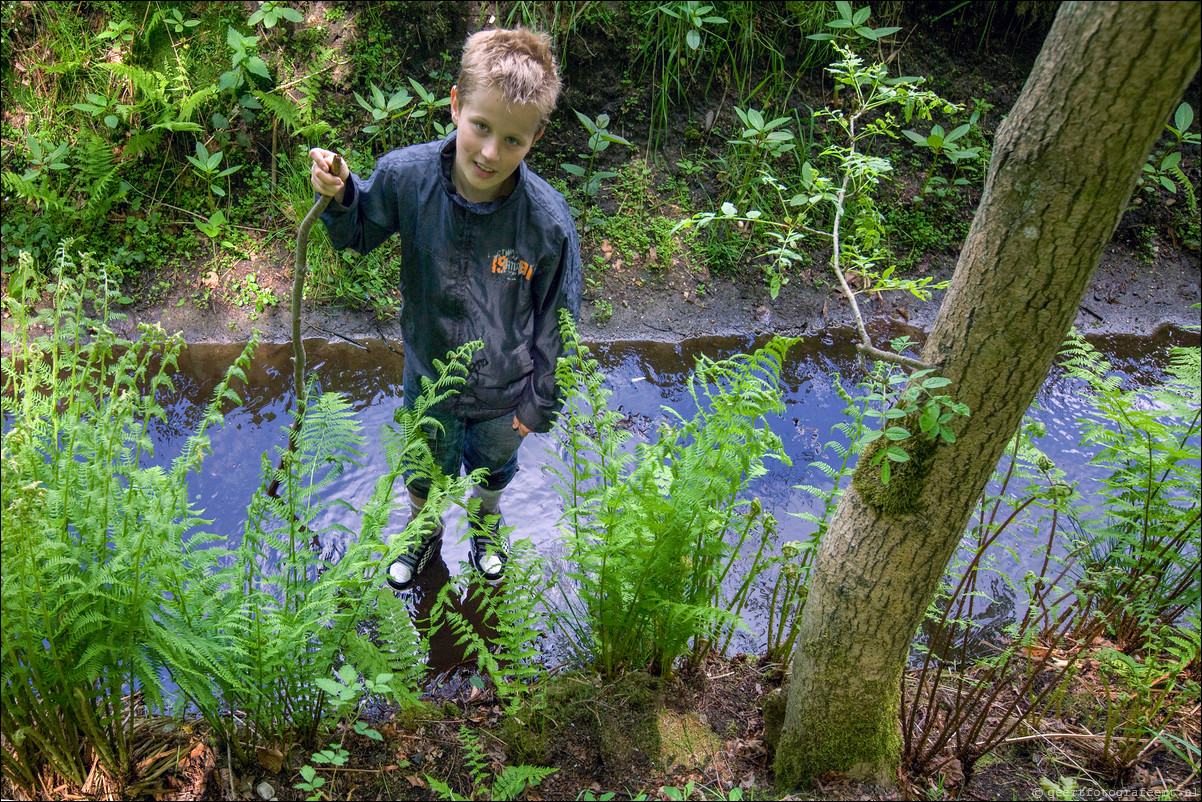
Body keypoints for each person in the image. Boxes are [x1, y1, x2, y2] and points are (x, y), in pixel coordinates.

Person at [309, 27, 581, 591]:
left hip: (507, 391)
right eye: (481, 127)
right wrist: (340, 195)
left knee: (493, 471)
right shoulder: (407, 176)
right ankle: (423, 531)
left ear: (535, 137)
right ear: (457, 106)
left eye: (513, 140)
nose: (490, 152)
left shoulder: (548, 223)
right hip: (428, 376)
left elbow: (561, 327)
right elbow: (360, 230)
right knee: (422, 474)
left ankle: (486, 524)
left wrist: (536, 410)